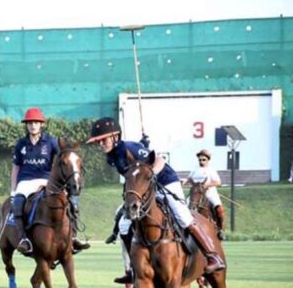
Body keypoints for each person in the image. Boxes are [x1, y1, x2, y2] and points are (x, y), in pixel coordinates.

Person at [86, 117, 225, 274]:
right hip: (146, 190)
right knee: (124, 225)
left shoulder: (128, 147)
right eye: (98, 141)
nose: (100, 144)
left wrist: (150, 170)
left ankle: (212, 256)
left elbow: (159, 160)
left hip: (166, 181)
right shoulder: (112, 157)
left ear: (115, 136)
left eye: (103, 140)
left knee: (183, 217)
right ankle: (133, 269)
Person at [10, 107, 90, 255]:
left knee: (72, 201)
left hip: (46, 181)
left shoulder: (51, 142)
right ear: (26, 125)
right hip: (26, 182)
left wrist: (64, 182)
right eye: (30, 123)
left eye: (36, 122)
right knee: (17, 204)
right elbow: (16, 167)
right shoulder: (21, 144)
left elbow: (63, 160)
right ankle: (23, 239)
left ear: (41, 124)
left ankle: (73, 237)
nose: (33, 125)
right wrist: (13, 189)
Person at [184, 149, 226, 240]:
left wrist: (207, 185)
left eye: (203, 160)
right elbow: (190, 179)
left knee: (220, 209)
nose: (201, 161)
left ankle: (221, 230)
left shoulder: (211, 170)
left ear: (208, 160)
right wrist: (185, 181)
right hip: (195, 194)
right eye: (200, 160)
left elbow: (218, 182)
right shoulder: (195, 169)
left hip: (209, 193)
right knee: (184, 207)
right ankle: (185, 227)